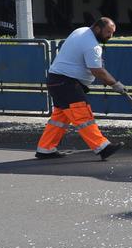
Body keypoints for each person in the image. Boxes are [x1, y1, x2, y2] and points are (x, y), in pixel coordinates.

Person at [36, 17, 125, 160]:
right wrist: (115, 84)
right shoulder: (92, 45)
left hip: (56, 80)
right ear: (97, 29)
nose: (110, 36)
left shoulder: (81, 31)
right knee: (83, 116)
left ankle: (45, 149)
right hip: (67, 84)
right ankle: (102, 147)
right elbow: (97, 70)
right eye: (108, 32)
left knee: (60, 118)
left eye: (112, 33)